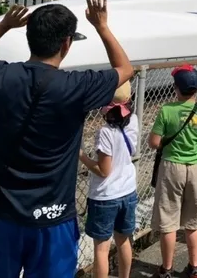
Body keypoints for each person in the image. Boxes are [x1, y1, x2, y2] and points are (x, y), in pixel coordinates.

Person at [0, 0, 133, 278]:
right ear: (66, 43)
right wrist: (102, 27)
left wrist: (2, 27)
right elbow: (125, 69)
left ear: (29, 37)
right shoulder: (78, 85)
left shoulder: (0, 76)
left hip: (2, 216)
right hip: (54, 217)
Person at [149, 65, 197, 278]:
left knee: (168, 222)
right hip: (195, 167)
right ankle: (195, 267)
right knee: (193, 221)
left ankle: (166, 269)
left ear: (176, 88)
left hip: (171, 168)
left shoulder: (167, 110)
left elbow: (153, 142)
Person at [80, 81, 138, 278]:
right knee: (124, 240)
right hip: (128, 191)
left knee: (102, 249)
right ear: (129, 99)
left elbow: (104, 170)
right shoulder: (135, 120)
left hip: (106, 196)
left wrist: (82, 157)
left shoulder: (105, 132)